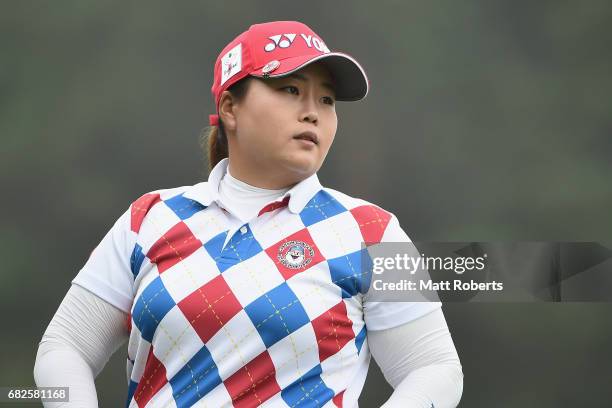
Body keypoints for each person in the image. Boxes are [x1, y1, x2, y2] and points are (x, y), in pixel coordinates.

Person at [34, 20, 463, 407]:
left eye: (327, 99)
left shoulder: (374, 230)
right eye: (290, 89)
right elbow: (65, 345)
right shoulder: (149, 218)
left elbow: (434, 368)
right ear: (230, 109)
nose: (313, 111)